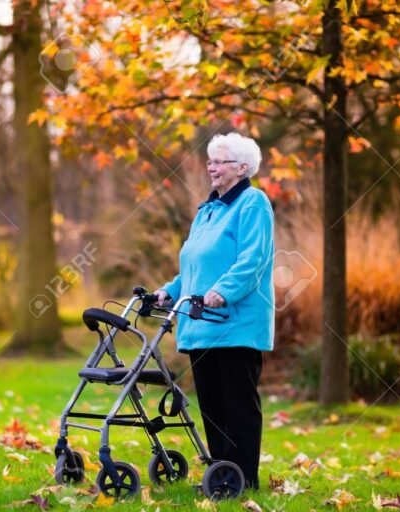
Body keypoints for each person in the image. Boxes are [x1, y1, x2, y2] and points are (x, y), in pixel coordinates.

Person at [154, 132, 275, 490]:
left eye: (219, 161)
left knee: (238, 407)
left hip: (236, 325)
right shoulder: (207, 211)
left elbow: (253, 260)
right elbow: (193, 269)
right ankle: (222, 477)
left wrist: (223, 291)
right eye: (210, 160)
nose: (211, 167)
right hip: (200, 323)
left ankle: (243, 480)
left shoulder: (253, 203)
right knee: (212, 409)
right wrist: (169, 291)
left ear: (242, 167)